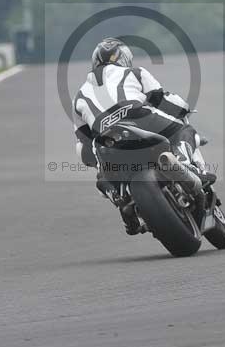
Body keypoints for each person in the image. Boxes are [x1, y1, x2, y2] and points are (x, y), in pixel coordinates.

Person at [72, 37, 213, 234]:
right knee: (184, 130)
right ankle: (183, 163)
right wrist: (185, 109)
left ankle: (121, 201)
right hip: (138, 116)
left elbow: (83, 144)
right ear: (124, 58)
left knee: (101, 178)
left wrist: (96, 162)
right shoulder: (134, 72)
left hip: (105, 138)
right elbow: (162, 100)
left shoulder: (79, 96)